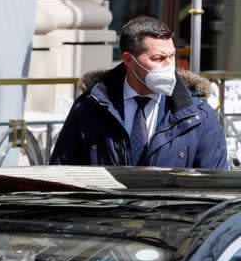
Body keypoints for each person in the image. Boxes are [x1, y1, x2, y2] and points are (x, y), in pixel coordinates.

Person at [50, 16, 227, 168]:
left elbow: (214, 190)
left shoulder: (198, 116)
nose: (169, 65)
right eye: (158, 58)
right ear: (128, 59)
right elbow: (61, 175)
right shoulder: (89, 108)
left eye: (172, 56)